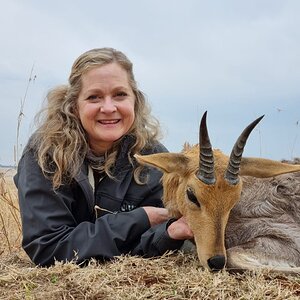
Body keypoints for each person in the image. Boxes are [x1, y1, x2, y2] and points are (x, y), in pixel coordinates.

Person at [14, 47, 193, 267]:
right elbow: (50, 247)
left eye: (120, 95)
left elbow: (144, 245)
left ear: (135, 101)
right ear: (73, 106)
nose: (108, 108)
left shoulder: (152, 157)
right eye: (94, 97)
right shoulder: (45, 153)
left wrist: (168, 233)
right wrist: (140, 218)